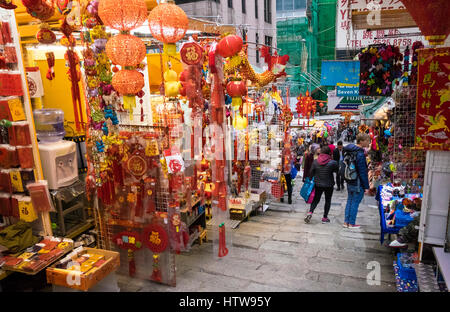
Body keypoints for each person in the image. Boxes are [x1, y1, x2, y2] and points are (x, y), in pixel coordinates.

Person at [304, 145, 339, 224]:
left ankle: (310, 212)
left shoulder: (315, 161)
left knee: (316, 199)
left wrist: (311, 179)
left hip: (318, 183)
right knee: (328, 200)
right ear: (329, 153)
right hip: (329, 184)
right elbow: (337, 171)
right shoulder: (332, 162)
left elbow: (311, 173)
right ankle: (324, 217)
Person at [343, 133, 371, 229]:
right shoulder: (359, 153)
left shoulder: (349, 151)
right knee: (355, 202)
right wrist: (366, 187)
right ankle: (351, 223)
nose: (369, 142)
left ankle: (346, 222)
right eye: (367, 141)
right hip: (357, 182)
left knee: (350, 201)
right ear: (361, 141)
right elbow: (362, 172)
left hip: (350, 180)